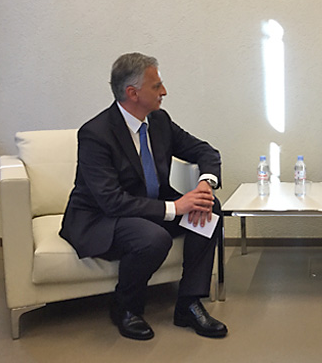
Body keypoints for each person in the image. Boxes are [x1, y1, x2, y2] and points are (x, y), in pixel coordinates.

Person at [60, 52, 227, 341]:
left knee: (209, 208)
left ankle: (188, 303)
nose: (164, 92)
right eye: (156, 86)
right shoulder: (95, 134)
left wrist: (205, 183)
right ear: (132, 93)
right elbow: (111, 201)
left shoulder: (159, 121)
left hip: (148, 209)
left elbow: (204, 151)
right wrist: (175, 207)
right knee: (152, 237)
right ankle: (126, 308)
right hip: (103, 217)